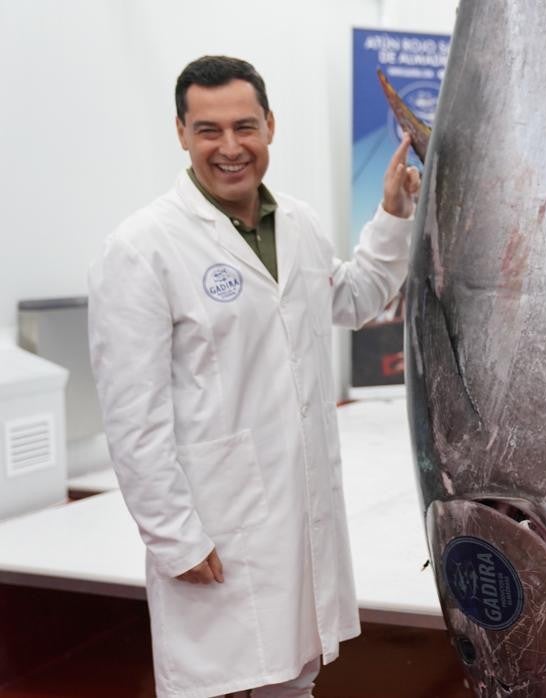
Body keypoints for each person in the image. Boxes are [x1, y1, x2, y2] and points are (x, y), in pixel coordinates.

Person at [88, 55, 420, 698]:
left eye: (245, 126)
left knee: (293, 677)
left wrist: (392, 215)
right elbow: (133, 418)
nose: (230, 147)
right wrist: (175, 538)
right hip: (215, 526)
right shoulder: (142, 248)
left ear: (270, 125)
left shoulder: (295, 224)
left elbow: (352, 299)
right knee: (218, 682)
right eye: (209, 130)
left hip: (295, 515)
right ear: (181, 133)